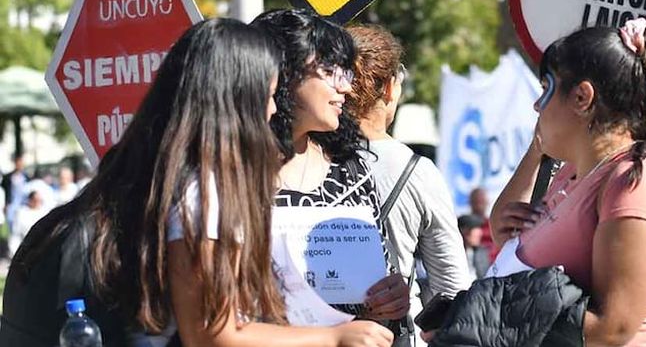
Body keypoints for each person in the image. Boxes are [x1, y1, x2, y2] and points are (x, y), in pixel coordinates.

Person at [1, 17, 393, 347]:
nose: (275, 109)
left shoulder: (149, 174)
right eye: (269, 95)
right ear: (236, 98)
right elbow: (211, 331)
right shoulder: (202, 189)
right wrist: (335, 336)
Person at [491, 20, 646, 346]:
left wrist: (486, 319)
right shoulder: (575, 172)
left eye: (545, 90)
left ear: (582, 97)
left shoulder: (635, 183)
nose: (537, 106)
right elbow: (508, 238)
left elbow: (613, 329)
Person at [253, 9, 409, 338]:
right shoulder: (231, 174)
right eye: (329, 71)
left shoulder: (350, 167)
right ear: (283, 73)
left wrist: (390, 298)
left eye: (346, 73)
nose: (345, 88)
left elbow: (378, 280)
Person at [346, 24, 470, 342]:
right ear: (389, 88)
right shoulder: (417, 172)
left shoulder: (303, 158)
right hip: (393, 336)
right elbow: (452, 291)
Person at [456, 214, 490, 280]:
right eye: (476, 233)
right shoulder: (454, 253)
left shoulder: (481, 252)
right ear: (465, 232)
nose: (480, 235)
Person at [467, 188, 497, 259]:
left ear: (487, 202)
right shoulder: (463, 226)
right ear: (470, 202)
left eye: (481, 202)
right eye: (476, 202)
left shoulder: (494, 225)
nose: (479, 205)